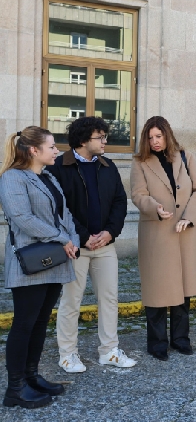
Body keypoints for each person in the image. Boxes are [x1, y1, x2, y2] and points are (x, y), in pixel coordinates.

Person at [48, 117, 135, 373]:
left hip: (105, 246)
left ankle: (109, 351)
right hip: (74, 248)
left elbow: (120, 201)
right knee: (71, 302)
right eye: (100, 137)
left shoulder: (108, 166)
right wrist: (84, 236)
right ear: (84, 140)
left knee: (109, 299)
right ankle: (67, 354)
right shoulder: (58, 166)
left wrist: (109, 232)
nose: (105, 141)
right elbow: (58, 208)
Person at [0, 127, 79, 408]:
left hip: (54, 260)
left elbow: (65, 214)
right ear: (34, 150)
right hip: (30, 262)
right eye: (52, 147)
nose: (57, 151)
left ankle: (32, 377)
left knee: (40, 322)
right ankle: (15, 390)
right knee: (23, 324)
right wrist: (62, 238)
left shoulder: (48, 178)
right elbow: (22, 217)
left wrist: (73, 239)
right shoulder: (12, 178)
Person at [130, 116, 196, 361]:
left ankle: (180, 339)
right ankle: (157, 344)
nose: (154, 141)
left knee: (183, 290)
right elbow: (138, 194)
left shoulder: (185, 157)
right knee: (157, 291)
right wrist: (155, 208)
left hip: (185, 232)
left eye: (159, 136)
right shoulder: (140, 162)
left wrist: (189, 216)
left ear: (167, 135)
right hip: (157, 232)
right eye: (150, 137)